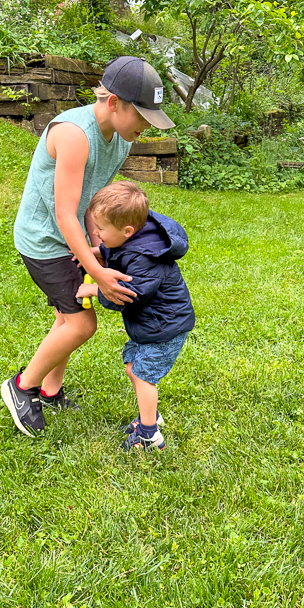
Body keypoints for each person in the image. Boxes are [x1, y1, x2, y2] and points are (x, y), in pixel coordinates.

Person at [1, 56, 175, 436]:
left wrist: (100, 249)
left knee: (67, 317)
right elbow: (65, 214)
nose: (146, 126)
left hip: (72, 239)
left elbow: (92, 205)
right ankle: (22, 386)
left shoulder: (121, 140)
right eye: (142, 116)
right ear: (114, 103)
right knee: (82, 324)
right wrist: (96, 271)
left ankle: (50, 390)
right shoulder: (74, 136)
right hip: (45, 241)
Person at [76, 181, 195, 451]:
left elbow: (131, 294)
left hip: (165, 328)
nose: (96, 233)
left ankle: (149, 436)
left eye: (100, 229)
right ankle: (149, 416)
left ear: (127, 231)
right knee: (133, 368)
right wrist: (95, 252)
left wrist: (95, 289)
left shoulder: (146, 257)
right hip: (151, 325)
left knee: (143, 376)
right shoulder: (133, 239)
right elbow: (117, 249)